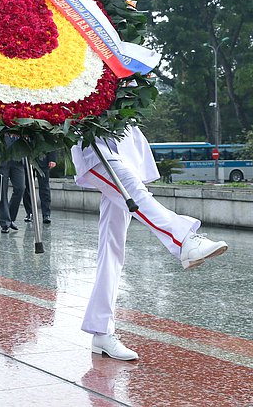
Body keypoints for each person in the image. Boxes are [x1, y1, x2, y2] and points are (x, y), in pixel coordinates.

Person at [71, 126, 229, 361]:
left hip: (124, 145)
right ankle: (185, 240)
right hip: (95, 146)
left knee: (112, 246)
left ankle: (102, 330)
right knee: (134, 194)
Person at [23, 152, 57, 224]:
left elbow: (52, 141)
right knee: (27, 187)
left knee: (44, 188)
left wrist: (52, 159)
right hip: (27, 159)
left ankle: (46, 214)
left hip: (43, 158)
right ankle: (29, 213)